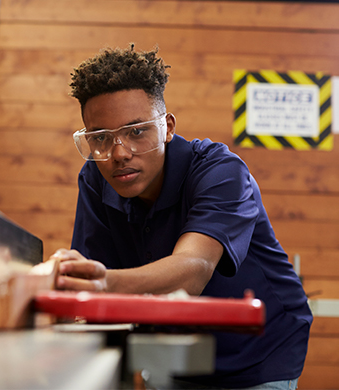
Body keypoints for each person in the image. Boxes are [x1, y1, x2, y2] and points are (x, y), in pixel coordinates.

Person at [50, 44, 312, 389]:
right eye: (101, 138)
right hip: (172, 352)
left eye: (137, 131)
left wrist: (104, 283)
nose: (119, 154)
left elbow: (193, 270)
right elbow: (99, 276)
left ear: (167, 127)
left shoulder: (221, 171)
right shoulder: (96, 179)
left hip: (259, 352)